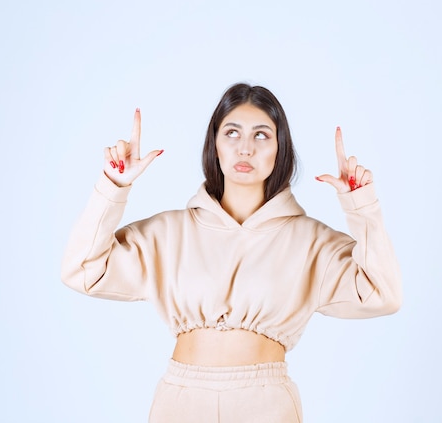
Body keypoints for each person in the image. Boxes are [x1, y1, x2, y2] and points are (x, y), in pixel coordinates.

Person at [61, 83, 402, 422]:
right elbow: (82, 269)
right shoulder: (168, 233)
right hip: (181, 401)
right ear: (216, 145)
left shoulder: (310, 241)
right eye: (232, 133)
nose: (245, 148)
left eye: (262, 135)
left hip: (266, 404)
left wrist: (361, 206)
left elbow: (382, 294)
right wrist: (113, 185)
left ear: (280, 149)